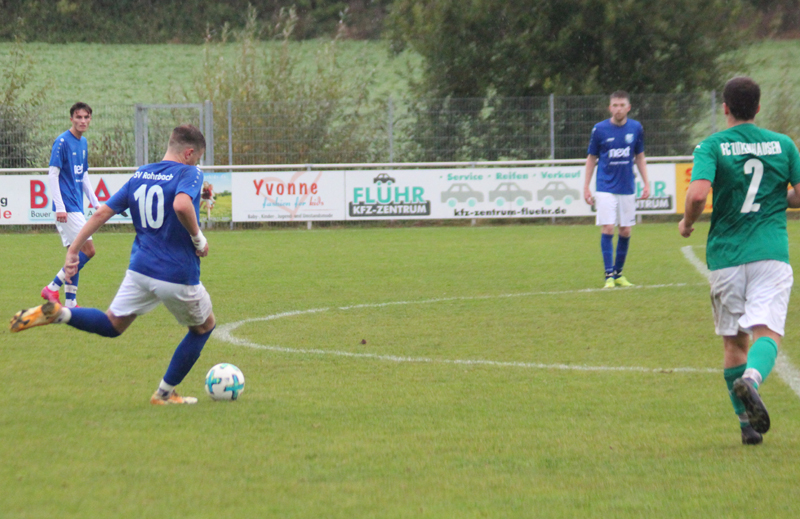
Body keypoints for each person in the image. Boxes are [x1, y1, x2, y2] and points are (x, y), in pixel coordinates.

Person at [11, 125, 215, 405]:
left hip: (140, 269)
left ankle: (59, 314)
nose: (197, 163)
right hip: (177, 273)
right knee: (204, 328)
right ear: (189, 153)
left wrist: (73, 250)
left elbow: (103, 211)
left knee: (112, 324)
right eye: (198, 157)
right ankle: (164, 394)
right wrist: (199, 239)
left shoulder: (140, 174)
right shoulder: (189, 172)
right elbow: (182, 205)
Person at [679, 76, 800, 445]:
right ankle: (753, 379)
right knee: (768, 333)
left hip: (727, 257)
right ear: (759, 108)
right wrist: (781, 198)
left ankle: (746, 424)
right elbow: (798, 196)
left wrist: (687, 222)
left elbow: (699, 193)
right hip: (770, 253)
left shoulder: (712, 146)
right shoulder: (783, 144)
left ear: (725, 107)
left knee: (734, 341)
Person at [583, 91, 650, 288]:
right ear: (609, 108)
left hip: (627, 186)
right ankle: (608, 276)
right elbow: (591, 158)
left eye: (622, 105)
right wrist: (586, 186)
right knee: (608, 227)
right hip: (605, 186)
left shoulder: (636, 128)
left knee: (626, 230)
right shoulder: (599, 129)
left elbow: (639, 156)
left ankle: (619, 274)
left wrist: (647, 182)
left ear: (628, 107)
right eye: (615, 105)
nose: (618, 108)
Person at [41, 102, 101, 308]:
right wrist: (59, 207)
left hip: (76, 205)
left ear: (90, 119)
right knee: (89, 250)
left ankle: (71, 302)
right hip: (67, 207)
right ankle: (51, 287)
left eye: (86, 117)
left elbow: (82, 175)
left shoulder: (83, 142)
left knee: (73, 253)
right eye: (78, 117)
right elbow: (53, 174)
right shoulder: (62, 142)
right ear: (71, 119)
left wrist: (95, 202)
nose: (82, 121)